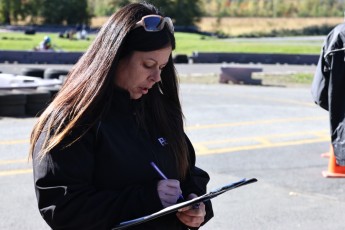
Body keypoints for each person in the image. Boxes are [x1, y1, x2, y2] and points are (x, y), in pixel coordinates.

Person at [29, 2, 213, 230]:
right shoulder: (72, 120)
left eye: (163, 67)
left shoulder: (159, 110)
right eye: (148, 65)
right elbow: (63, 209)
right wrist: (148, 199)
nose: (156, 77)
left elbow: (187, 171)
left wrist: (196, 202)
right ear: (114, 57)